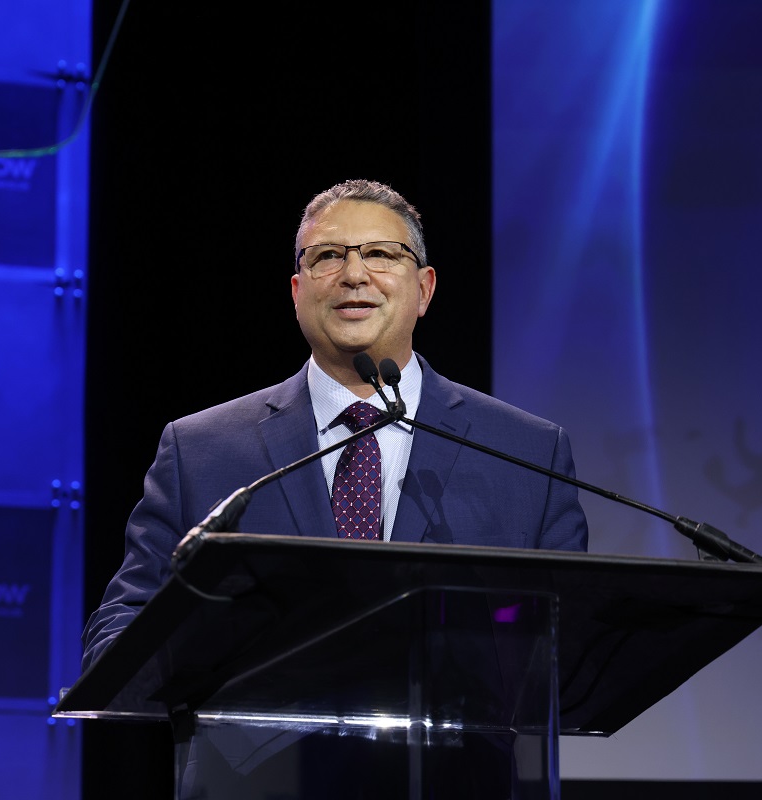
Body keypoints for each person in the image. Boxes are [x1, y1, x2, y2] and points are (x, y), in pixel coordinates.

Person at [81, 178, 589, 797]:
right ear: (298, 293)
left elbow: (571, 650)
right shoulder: (203, 449)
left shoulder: (525, 453)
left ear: (424, 289)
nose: (354, 274)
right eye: (328, 256)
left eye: (381, 254)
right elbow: (121, 633)